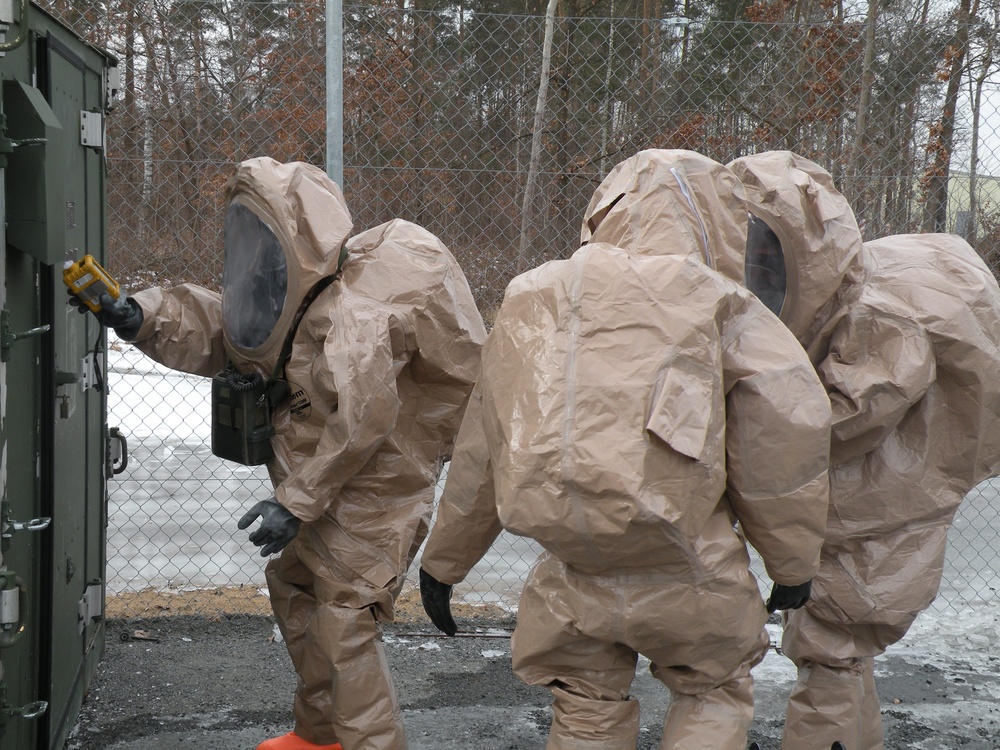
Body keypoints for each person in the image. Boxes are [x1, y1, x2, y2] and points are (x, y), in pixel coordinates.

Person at [417, 149, 832, 749]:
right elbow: (782, 438)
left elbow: (487, 439)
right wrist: (792, 564)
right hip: (689, 569)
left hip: (572, 569)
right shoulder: (721, 303)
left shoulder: (535, 296)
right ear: (718, 221)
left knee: (585, 703)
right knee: (710, 692)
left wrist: (445, 561)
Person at [72, 157, 486, 750]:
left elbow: (365, 421)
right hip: (319, 483)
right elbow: (228, 330)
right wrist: (142, 317)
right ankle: (319, 734)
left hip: (376, 488)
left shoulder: (354, 319)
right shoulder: (287, 297)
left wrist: (295, 502)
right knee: (295, 590)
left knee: (344, 624)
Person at [728, 150, 1000, 750]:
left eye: (771, 254)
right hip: (879, 484)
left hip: (890, 490)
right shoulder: (832, 301)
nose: (758, 266)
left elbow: (837, 421)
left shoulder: (878, 317)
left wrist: (733, 412)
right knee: (839, 652)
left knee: (832, 639)